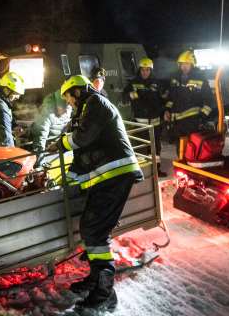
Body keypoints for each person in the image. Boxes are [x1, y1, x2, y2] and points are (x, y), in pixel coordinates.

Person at [48, 75, 143, 312]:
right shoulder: (89, 107)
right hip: (108, 177)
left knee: (94, 232)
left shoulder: (95, 104)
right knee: (91, 229)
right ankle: (95, 280)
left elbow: (82, 139)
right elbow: (85, 152)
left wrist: (61, 143)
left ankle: (104, 292)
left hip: (116, 175)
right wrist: (68, 178)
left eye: (68, 97)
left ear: (77, 92)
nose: (68, 103)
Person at [123, 57, 167, 177]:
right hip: (141, 122)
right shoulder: (133, 83)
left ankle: (157, 170)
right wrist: (133, 96)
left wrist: (164, 111)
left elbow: (163, 100)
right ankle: (143, 173)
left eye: (147, 70)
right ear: (139, 70)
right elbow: (126, 97)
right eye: (143, 70)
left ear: (151, 71)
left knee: (156, 148)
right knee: (142, 149)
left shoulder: (157, 84)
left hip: (156, 123)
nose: (145, 72)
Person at [163, 50, 213, 153]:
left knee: (192, 150)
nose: (184, 67)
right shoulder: (175, 79)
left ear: (192, 64)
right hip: (177, 123)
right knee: (180, 150)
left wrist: (201, 117)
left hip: (192, 123)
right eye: (181, 64)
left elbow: (209, 100)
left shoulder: (200, 79)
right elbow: (171, 98)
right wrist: (167, 110)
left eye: (187, 64)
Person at [31, 90, 72, 167]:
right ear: (56, 105)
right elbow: (40, 138)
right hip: (48, 149)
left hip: (60, 147)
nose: (65, 111)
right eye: (62, 108)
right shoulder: (47, 114)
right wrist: (40, 163)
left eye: (67, 107)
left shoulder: (68, 109)